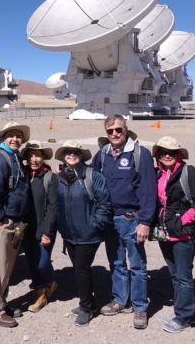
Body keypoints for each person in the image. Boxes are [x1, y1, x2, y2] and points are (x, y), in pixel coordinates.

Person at [92, 114, 156, 330]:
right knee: (117, 262)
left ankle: (139, 305)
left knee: (137, 265)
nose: (115, 134)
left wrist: (145, 221)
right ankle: (121, 300)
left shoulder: (140, 154)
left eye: (118, 130)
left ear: (126, 129)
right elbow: (92, 179)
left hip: (132, 219)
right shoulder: (103, 154)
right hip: (110, 219)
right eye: (110, 131)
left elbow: (149, 190)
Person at [151, 136, 195, 334]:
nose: (167, 155)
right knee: (174, 275)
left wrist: (182, 220)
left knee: (183, 276)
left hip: (183, 234)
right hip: (165, 234)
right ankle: (182, 311)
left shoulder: (187, 171)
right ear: (157, 155)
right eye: (163, 152)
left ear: (179, 154)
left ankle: (184, 317)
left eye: (172, 152)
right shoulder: (157, 173)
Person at [55, 140, 112, 327]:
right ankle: (87, 303)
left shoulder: (92, 175)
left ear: (81, 155)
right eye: (68, 152)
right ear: (64, 155)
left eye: (76, 152)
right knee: (79, 269)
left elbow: (104, 203)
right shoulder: (60, 177)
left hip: (88, 234)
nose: (72, 154)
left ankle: (87, 308)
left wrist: (95, 225)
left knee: (81, 268)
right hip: (69, 233)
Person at [0, 121, 31, 328]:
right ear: (3, 138)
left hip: (13, 220)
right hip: (3, 221)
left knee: (8, 266)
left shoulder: (15, 158)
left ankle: (3, 303)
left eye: (18, 135)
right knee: (0, 268)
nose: (15, 139)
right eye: (10, 135)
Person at [20, 140, 58, 312]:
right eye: (31, 156)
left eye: (38, 155)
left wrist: (47, 232)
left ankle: (50, 281)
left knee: (42, 263)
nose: (34, 159)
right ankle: (40, 294)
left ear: (43, 158)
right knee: (31, 262)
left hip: (44, 228)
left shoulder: (49, 177)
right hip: (26, 228)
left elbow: (53, 207)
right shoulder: (23, 175)